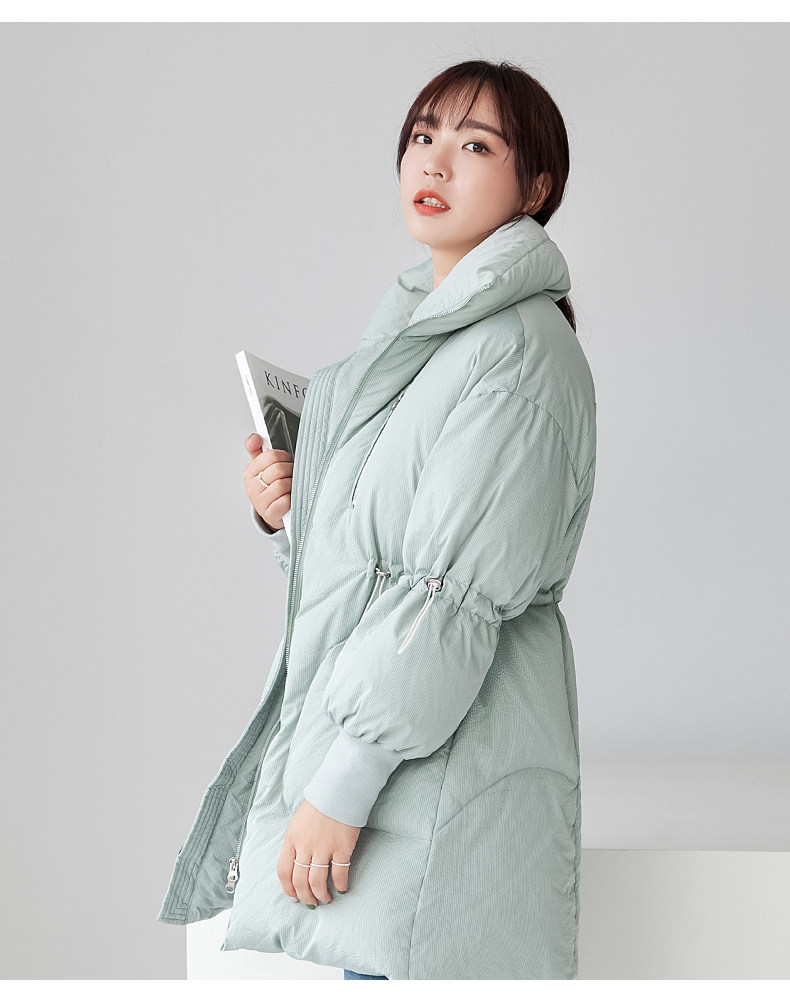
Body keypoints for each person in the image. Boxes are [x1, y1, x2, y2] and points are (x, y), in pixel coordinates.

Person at [158, 58, 596, 981]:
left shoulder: (518, 353)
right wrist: (290, 517)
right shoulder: (419, 347)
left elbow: (450, 597)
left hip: (437, 779)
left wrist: (343, 784)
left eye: (475, 146)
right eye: (423, 137)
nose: (433, 162)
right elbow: (369, 571)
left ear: (536, 188)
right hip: (402, 773)